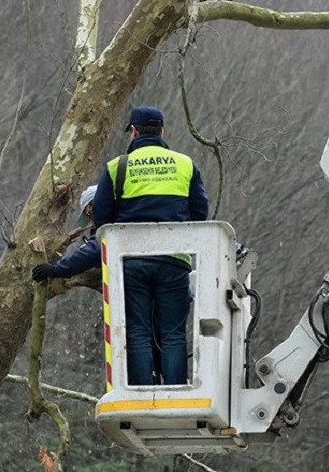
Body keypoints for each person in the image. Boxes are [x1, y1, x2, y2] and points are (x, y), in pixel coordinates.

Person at [32, 106, 209, 385]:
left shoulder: (117, 167)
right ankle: (176, 390)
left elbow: (104, 226)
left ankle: (142, 392)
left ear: (134, 132)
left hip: (132, 262)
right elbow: (200, 215)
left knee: (137, 332)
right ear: (162, 132)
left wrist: (59, 268)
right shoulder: (186, 164)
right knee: (173, 334)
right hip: (174, 260)